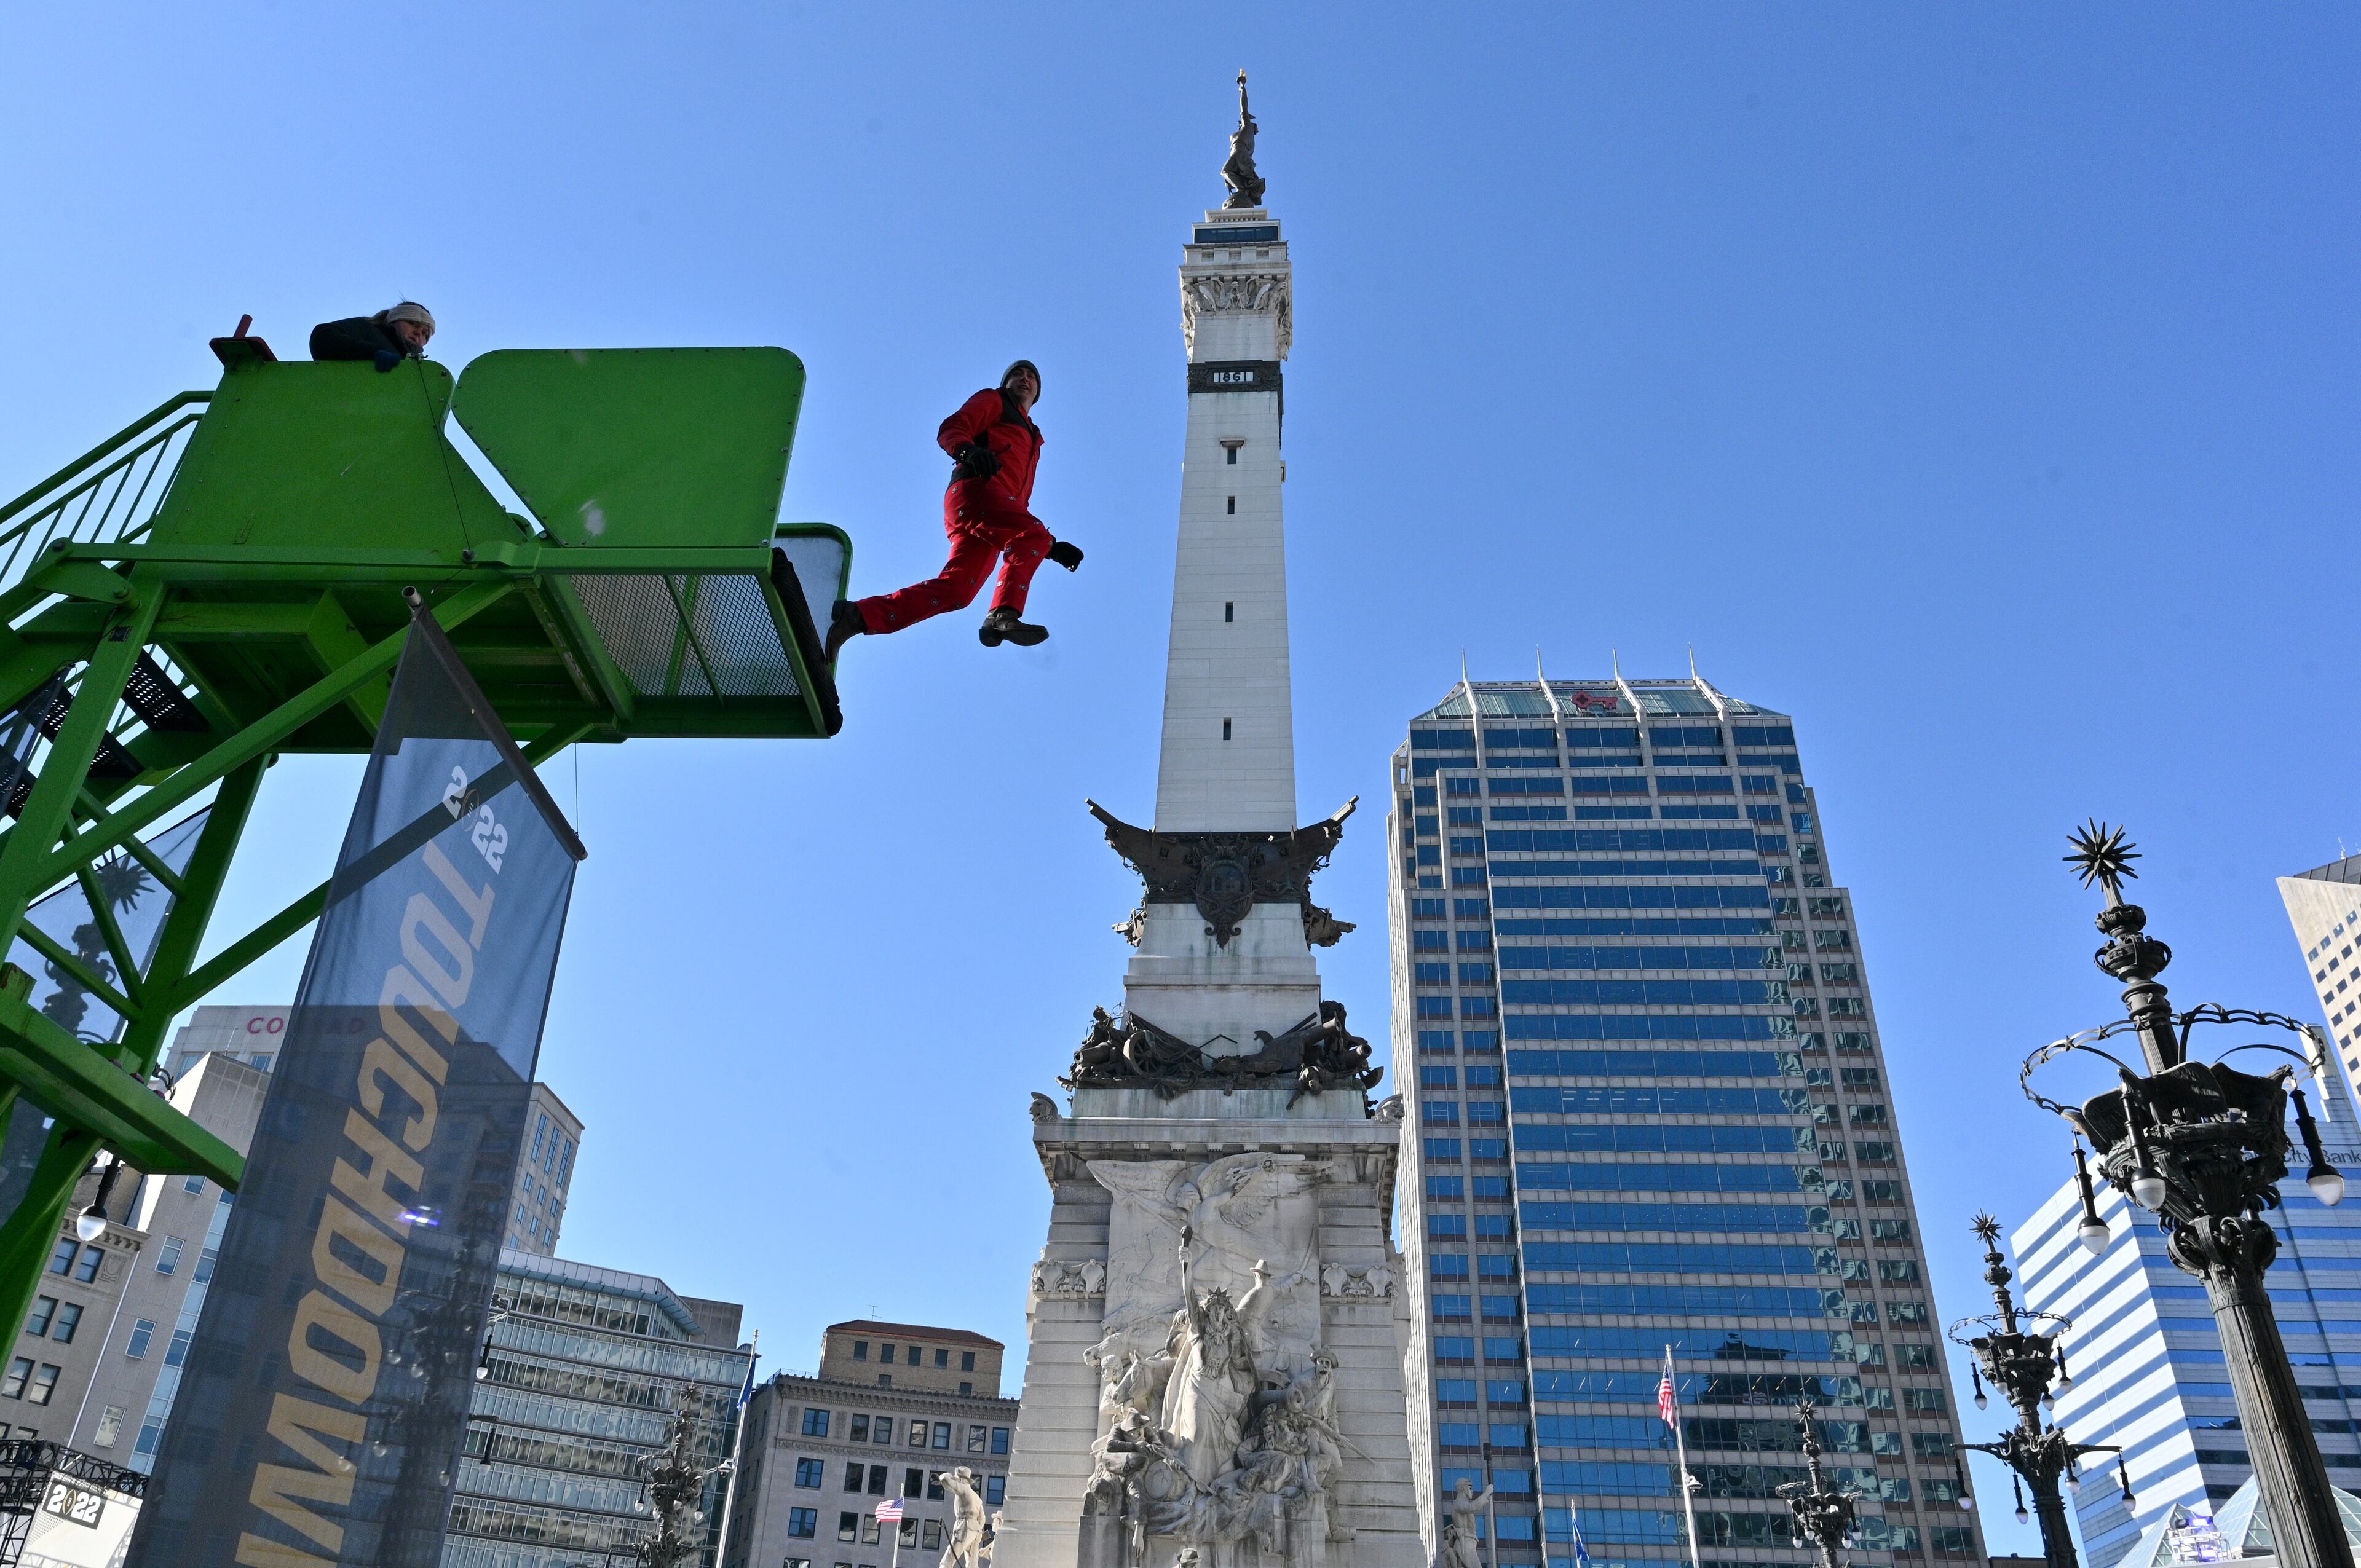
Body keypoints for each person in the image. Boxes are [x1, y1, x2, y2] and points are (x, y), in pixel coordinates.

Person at [826, 360, 1083, 657]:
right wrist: (968, 451)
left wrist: (1048, 547)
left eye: (1031, 377)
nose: (1024, 379)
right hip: (976, 491)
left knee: (958, 591)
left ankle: (858, 616)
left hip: (994, 512)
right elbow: (953, 427)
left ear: (1037, 393)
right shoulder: (994, 400)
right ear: (1006, 382)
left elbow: (1019, 504)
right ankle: (1003, 615)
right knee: (1033, 535)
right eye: (1017, 374)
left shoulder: (1033, 437)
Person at [310, 302, 436, 372]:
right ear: (394, 320)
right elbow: (323, 337)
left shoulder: (414, 370)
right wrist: (372, 352)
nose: (419, 333)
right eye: (412, 324)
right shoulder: (367, 329)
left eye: (425, 333)